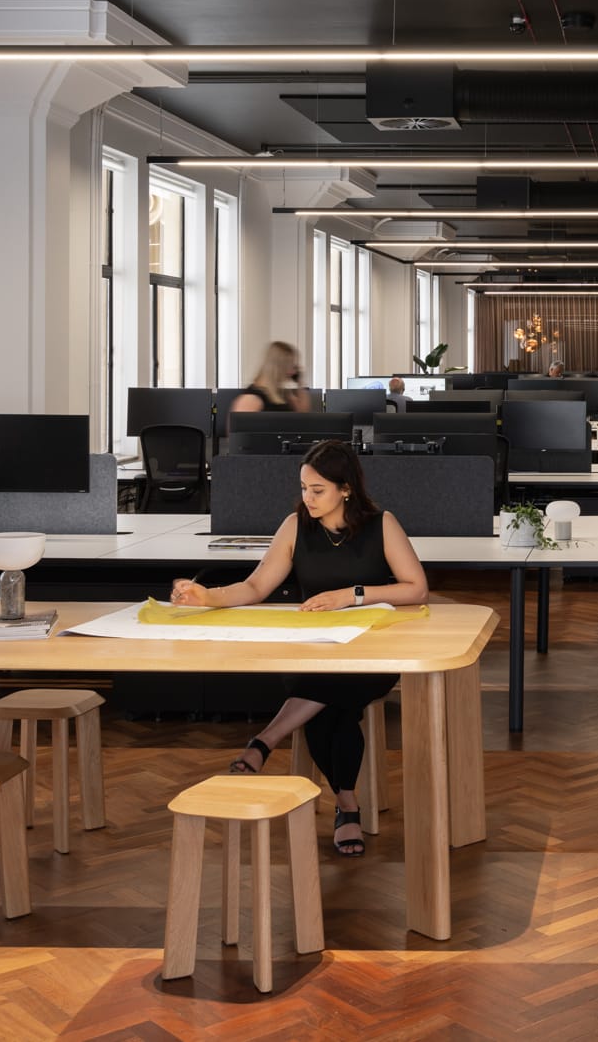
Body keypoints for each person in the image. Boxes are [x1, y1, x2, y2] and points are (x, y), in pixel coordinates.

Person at [170, 440, 429, 856]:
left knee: (331, 697)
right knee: (335, 707)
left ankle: (267, 741)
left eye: (318, 490)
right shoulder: (295, 526)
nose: (307, 498)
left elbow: (416, 589)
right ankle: (347, 806)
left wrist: (352, 594)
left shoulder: (382, 524)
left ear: (346, 489)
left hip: (372, 650)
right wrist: (207, 596)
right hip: (314, 648)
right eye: (304, 488)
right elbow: (256, 586)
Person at [231, 341, 313, 415]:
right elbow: (236, 430)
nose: (293, 372)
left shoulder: (283, 394)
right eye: (290, 366)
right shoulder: (252, 398)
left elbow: (303, 414)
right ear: (278, 367)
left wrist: (299, 382)